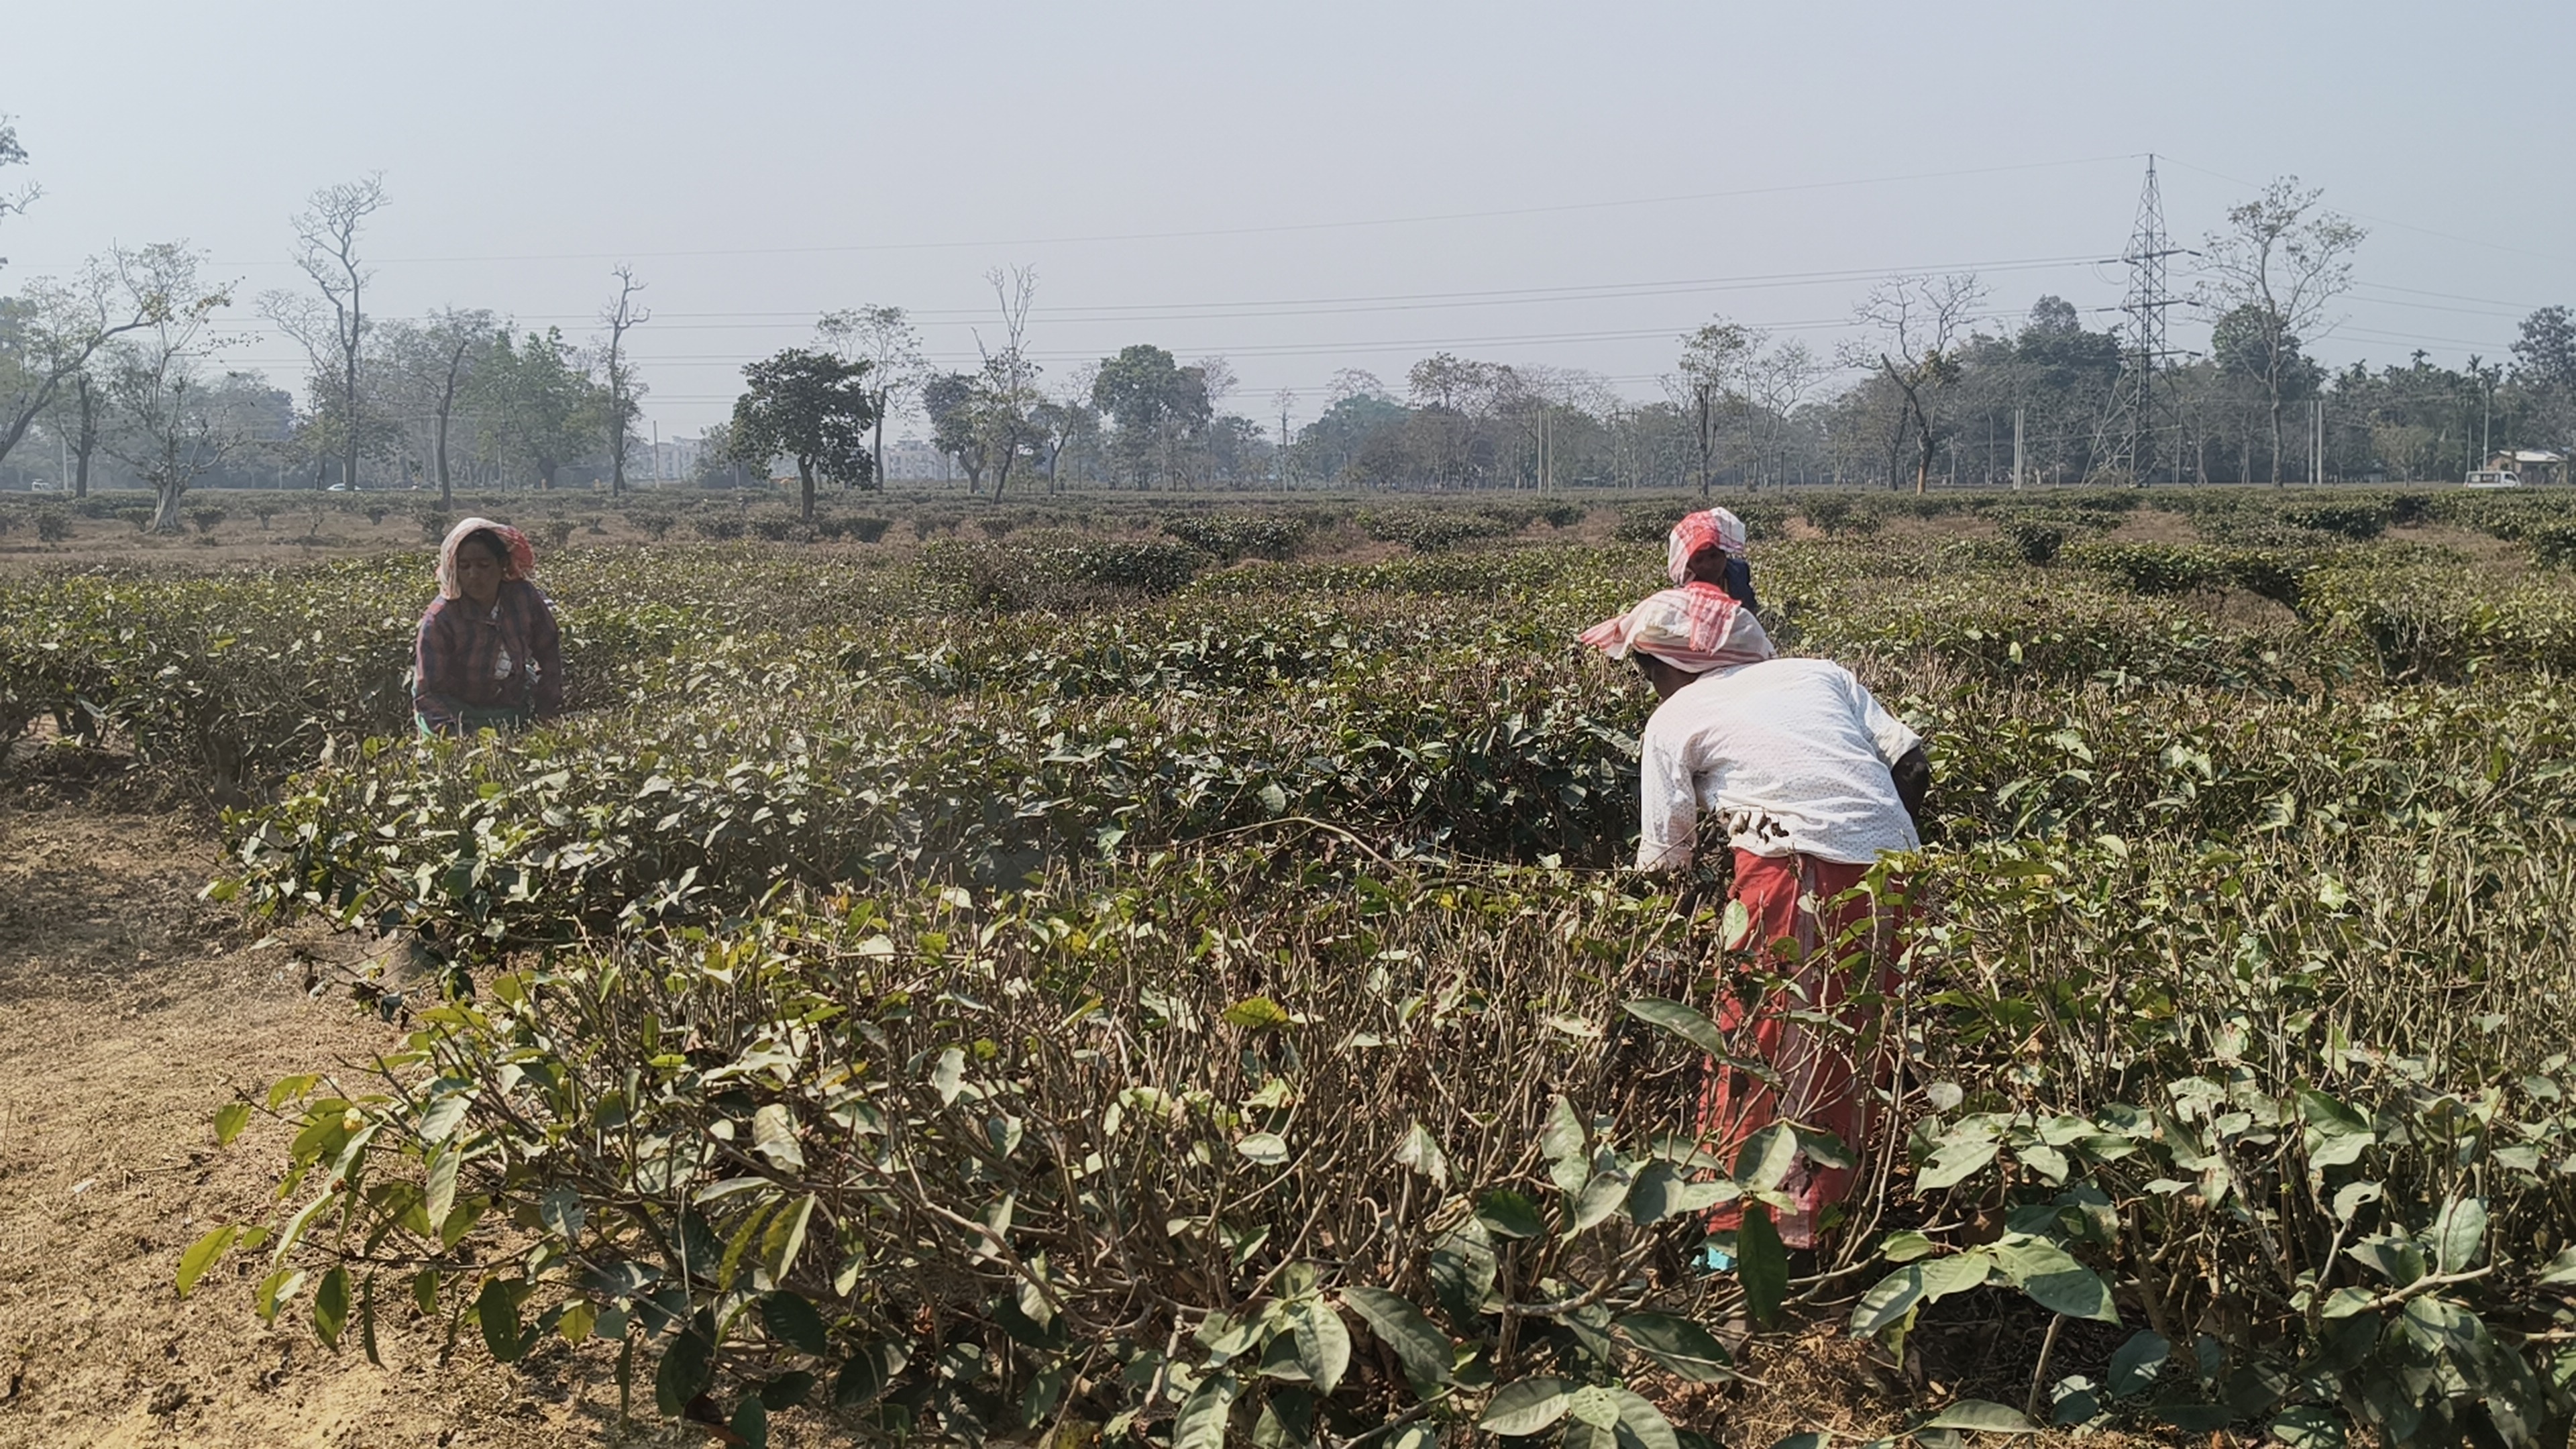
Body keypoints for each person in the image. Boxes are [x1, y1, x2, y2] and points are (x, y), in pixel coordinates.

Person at [1582, 587, 1928, 1257]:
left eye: (1644, 669)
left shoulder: (1675, 718)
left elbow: (1664, 861)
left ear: (1670, 664)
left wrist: (1661, 948)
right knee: (1852, 1044)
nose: (1647, 686)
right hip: (1894, 869)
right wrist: (1873, 840)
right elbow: (1911, 762)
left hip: (1794, 875)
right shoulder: (1819, 672)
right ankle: (1832, 1222)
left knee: (1756, 1049)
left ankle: (1739, 1241)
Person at [414, 517, 563, 736]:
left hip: (510, 711)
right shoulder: (441, 618)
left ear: (502, 564)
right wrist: (457, 737)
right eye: (464, 567)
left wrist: (546, 709)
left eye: (483, 565)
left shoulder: (523, 597)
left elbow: (548, 649)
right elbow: (428, 693)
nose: (474, 575)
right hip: (452, 716)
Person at [1666, 507, 1758, 612]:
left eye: (1714, 556)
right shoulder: (1684, 595)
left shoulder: (1740, 571)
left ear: (1724, 553)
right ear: (1689, 565)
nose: (1708, 565)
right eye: (1699, 560)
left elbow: (1751, 607)